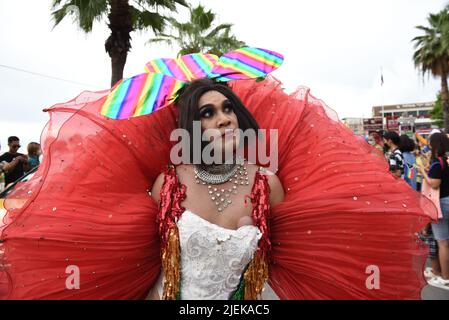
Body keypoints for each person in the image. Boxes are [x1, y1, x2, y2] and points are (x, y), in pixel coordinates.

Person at [0, 48, 438, 299]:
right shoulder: (167, 185)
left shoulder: (269, 184)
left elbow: (296, 259)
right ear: (194, 127)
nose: (224, 118)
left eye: (229, 108)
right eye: (208, 112)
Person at [418, 132, 449, 290]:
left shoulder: (438, 163)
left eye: (430, 142)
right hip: (447, 201)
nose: (428, 145)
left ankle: (445, 278)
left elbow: (434, 184)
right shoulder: (445, 161)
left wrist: (423, 172)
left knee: (442, 243)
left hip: (441, 204)